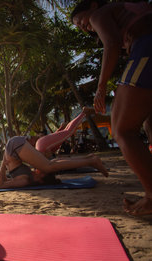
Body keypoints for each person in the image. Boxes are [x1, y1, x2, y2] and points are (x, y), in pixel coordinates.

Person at [71, 1, 152, 215]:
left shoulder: (99, 14)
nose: (83, 27)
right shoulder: (126, 12)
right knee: (149, 123)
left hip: (147, 49)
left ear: (92, 5)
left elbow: (112, 44)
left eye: (80, 21)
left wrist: (101, 87)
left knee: (122, 130)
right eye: (78, 27)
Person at [0, 136, 108, 189]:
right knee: (50, 165)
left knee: (49, 166)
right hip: (15, 147)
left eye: (41, 171)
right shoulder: (25, 179)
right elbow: (4, 182)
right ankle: (89, 160)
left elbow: (0, 184)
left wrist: (3, 163)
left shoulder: (24, 180)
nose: (38, 169)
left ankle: (90, 160)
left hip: (15, 147)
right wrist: (4, 163)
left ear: (40, 179)